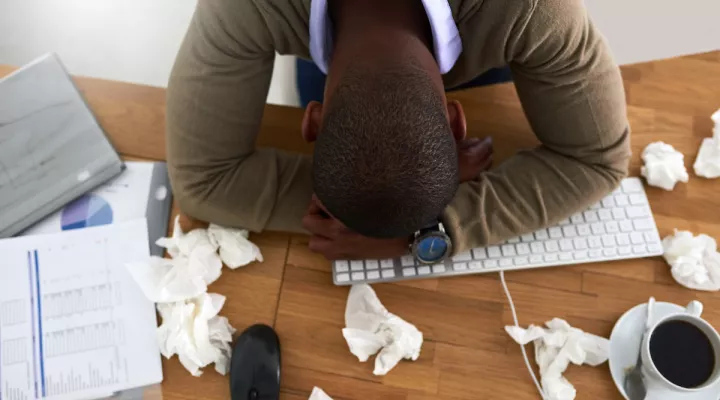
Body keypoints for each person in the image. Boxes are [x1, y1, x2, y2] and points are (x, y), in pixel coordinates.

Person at [166, 0, 630, 264]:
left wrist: (432, 229)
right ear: (454, 121)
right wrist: (381, 214)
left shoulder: (533, 10)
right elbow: (201, 182)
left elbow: (598, 161)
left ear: (312, 122)